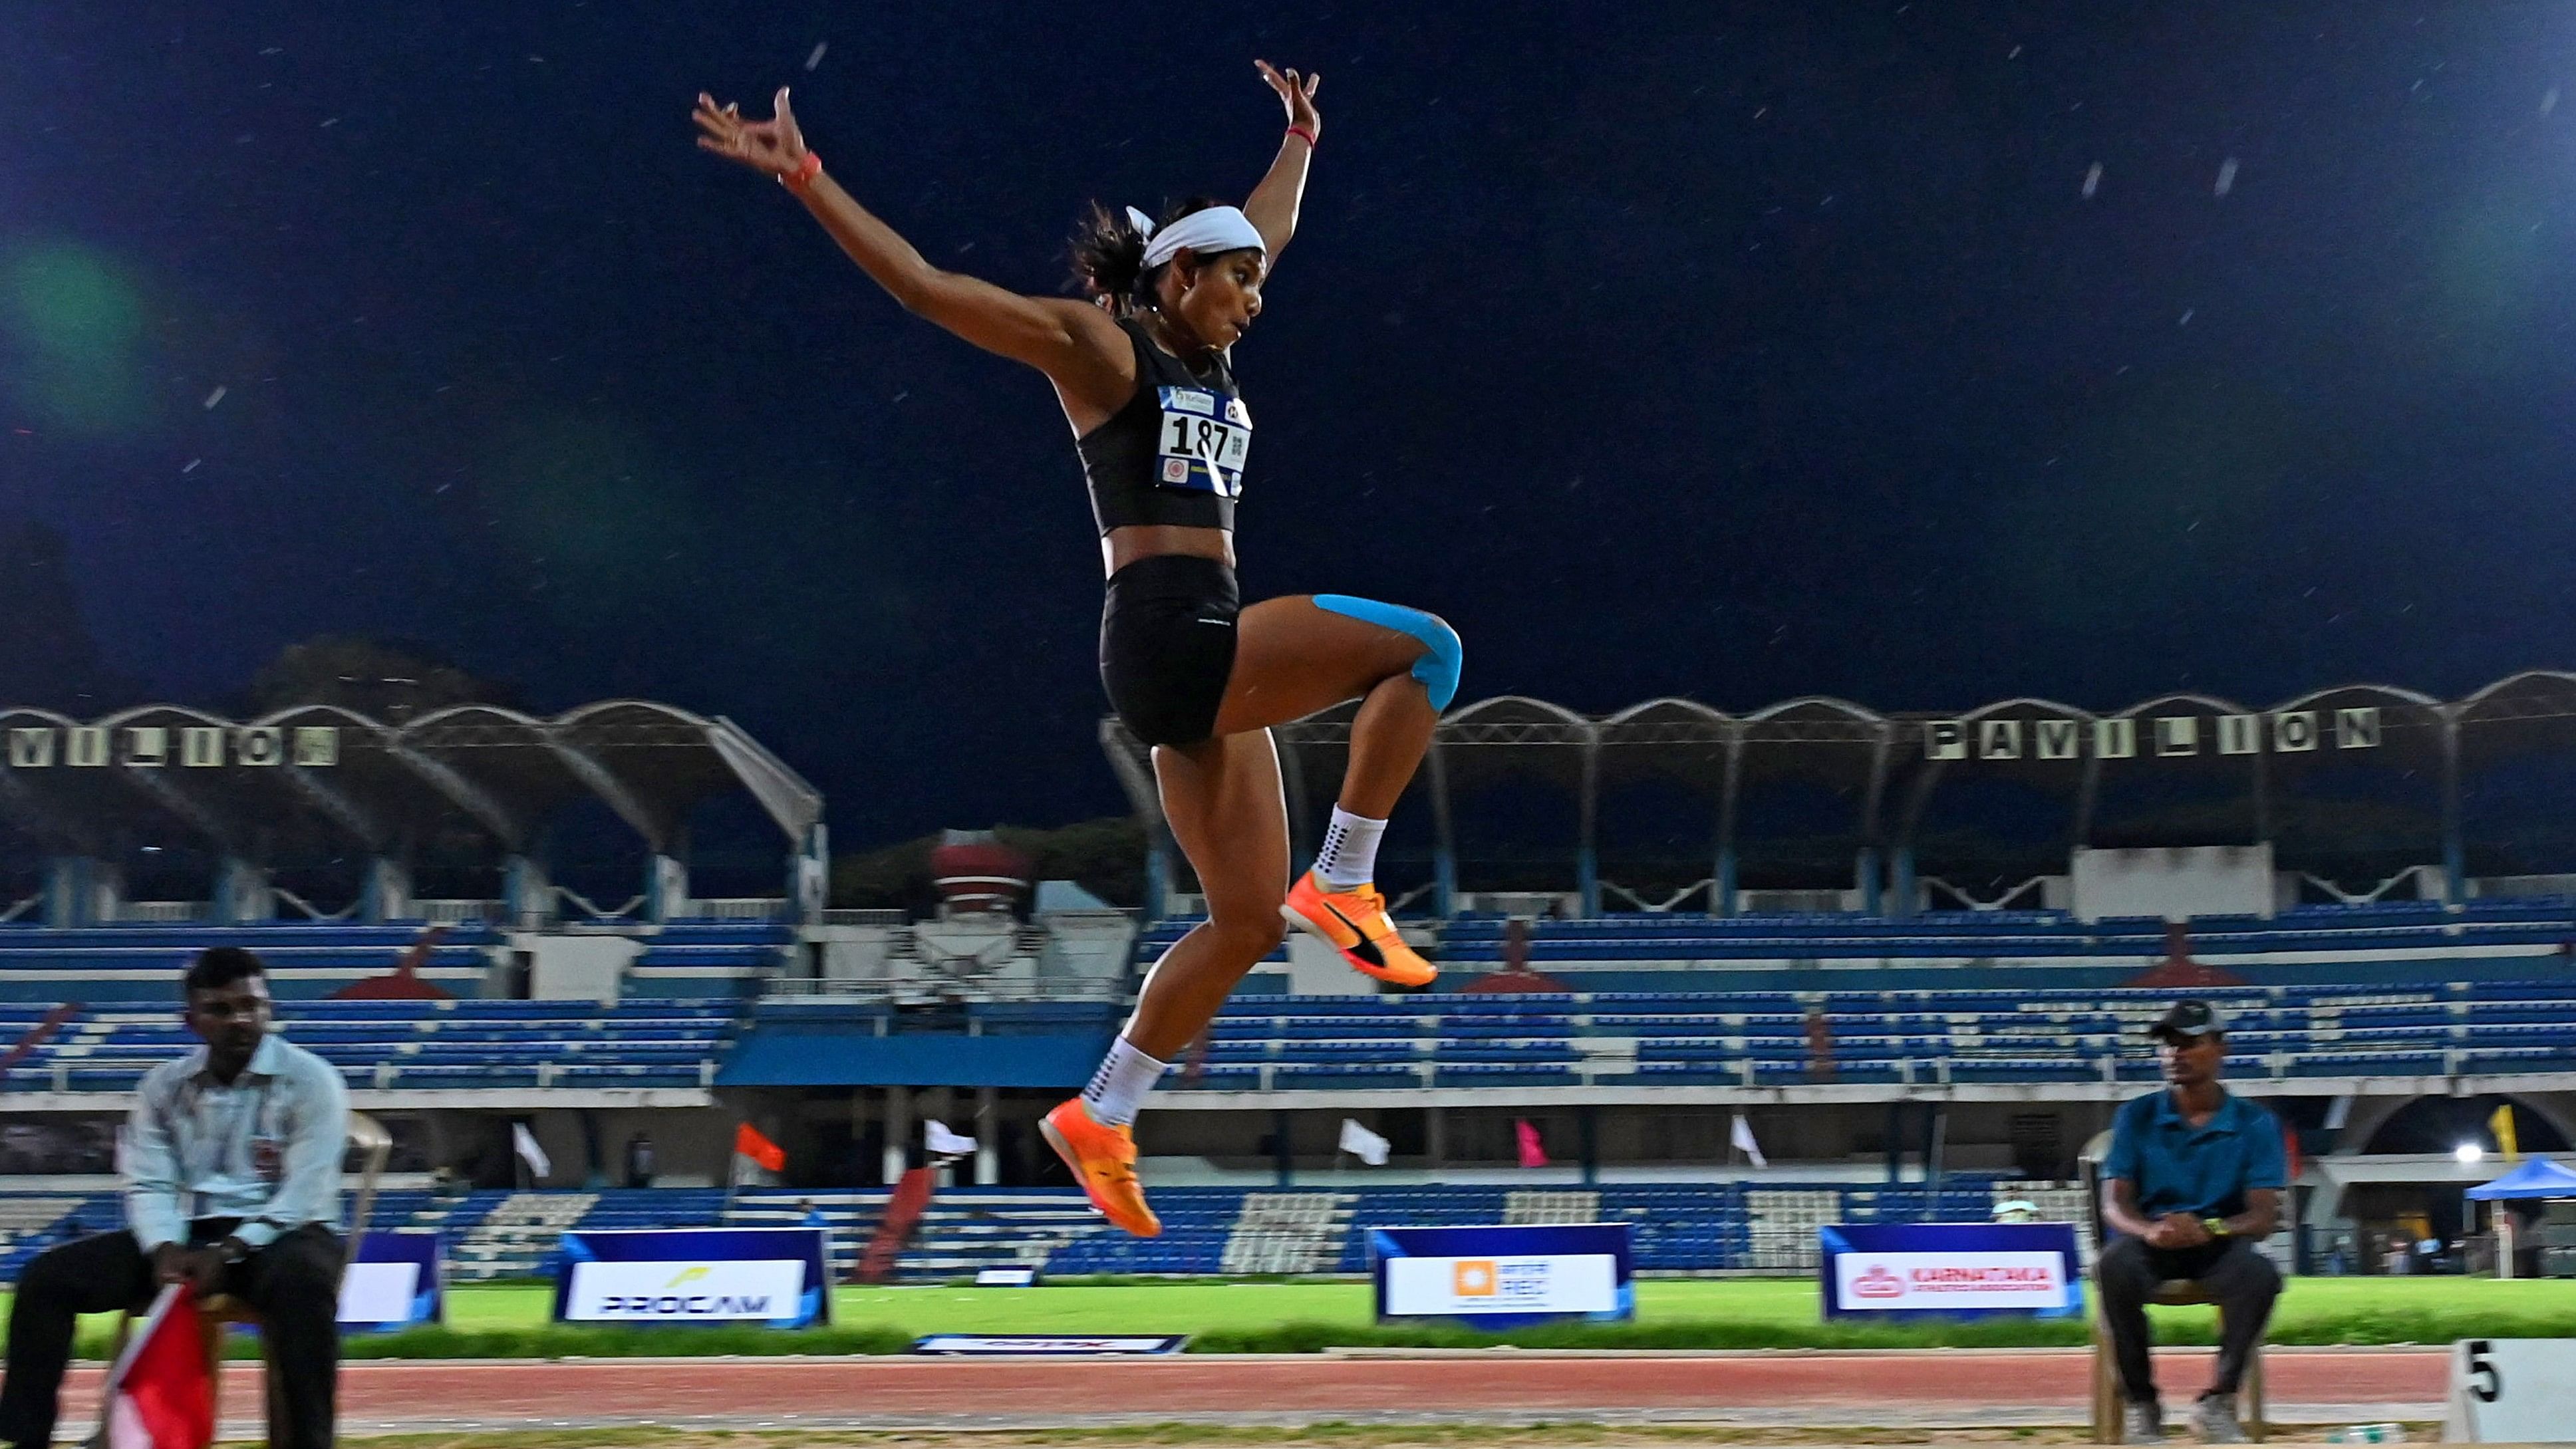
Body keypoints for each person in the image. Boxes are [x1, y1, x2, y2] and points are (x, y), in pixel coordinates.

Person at [694, 63, 1461, 1238]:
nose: (1256, 298)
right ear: (1180, 277)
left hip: (1196, 659)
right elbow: (924, 286)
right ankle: (1348, 874)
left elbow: (1268, 224)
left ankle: (1102, 1111)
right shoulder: (1106, 353)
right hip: (1171, 629)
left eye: (1257, 283)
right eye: (1237, 283)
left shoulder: (1207, 339)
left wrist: (1299, 135)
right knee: (1423, 650)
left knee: (1246, 923)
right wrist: (804, 175)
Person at [0, 947, 349, 1449]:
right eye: (221, 1010)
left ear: (269, 1008)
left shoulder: (311, 1079)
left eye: (253, 1005)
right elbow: (149, 1181)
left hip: (287, 1233)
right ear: (191, 1020)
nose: (241, 1020)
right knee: (46, 1279)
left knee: (305, 1289)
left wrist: (231, 1251)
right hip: (191, 1233)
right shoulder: (163, 1087)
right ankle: (25, 1437)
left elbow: (305, 1191)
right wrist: (162, 1246)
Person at [2096, 999, 2285, 1445]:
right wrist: (2150, 1230)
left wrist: (2211, 1228)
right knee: (2112, 1267)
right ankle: (2142, 1404)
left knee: (2260, 1275)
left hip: (2216, 1242)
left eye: (2187, 1043)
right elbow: (2113, 1202)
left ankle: (2216, 1401)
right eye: (2167, 1045)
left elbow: (2261, 1217)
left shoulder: (2255, 1122)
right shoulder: (2136, 1115)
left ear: (2220, 1048)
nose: (2173, 1053)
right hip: (2152, 1241)